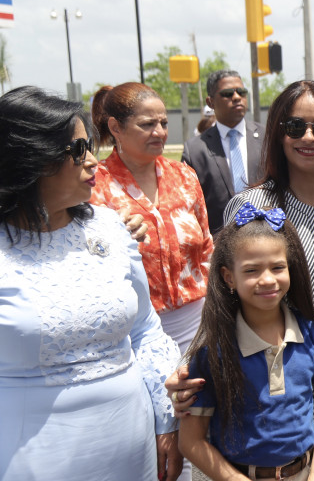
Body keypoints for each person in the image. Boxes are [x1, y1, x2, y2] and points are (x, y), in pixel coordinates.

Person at [170, 80, 314, 481]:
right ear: (278, 133)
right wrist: (188, 368)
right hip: (275, 380)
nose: (309, 137)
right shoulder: (252, 206)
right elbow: (223, 295)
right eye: (295, 126)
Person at [0, 86, 181, 480]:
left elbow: (146, 331)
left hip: (133, 446)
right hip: (29, 458)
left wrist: (166, 419)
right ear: (32, 158)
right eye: (78, 149)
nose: (93, 161)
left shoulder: (111, 228)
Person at [178, 206, 314, 481]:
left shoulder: (313, 332)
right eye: (251, 270)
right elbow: (191, 441)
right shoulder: (213, 350)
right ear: (229, 277)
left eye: (278, 267)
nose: (267, 279)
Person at [90, 82, 214, 359]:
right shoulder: (94, 186)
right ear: (115, 127)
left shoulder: (184, 176)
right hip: (130, 331)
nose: (159, 132)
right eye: (147, 124)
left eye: (163, 123)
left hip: (198, 323)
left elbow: (207, 248)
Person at [182, 70, 265, 233]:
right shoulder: (195, 149)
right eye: (227, 93)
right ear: (210, 102)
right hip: (219, 242)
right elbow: (189, 205)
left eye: (241, 92)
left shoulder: (267, 137)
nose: (236, 97)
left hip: (265, 237)